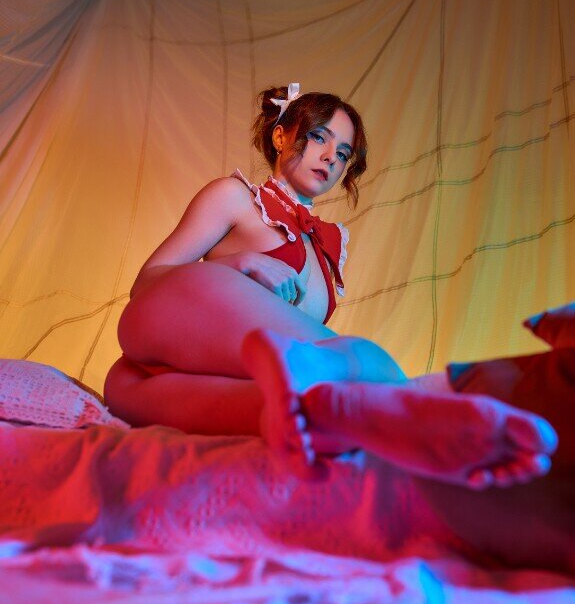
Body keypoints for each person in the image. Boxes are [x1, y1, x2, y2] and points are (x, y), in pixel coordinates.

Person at [104, 84, 557, 493]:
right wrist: (240, 263)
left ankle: (402, 425)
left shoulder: (328, 247)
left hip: (216, 382)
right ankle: (414, 394)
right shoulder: (235, 198)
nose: (329, 158)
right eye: (319, 138)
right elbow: (147, 285)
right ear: (281, 136)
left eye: (342, 154)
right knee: (369, 360)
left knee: (137, 388)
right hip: (167, 336)